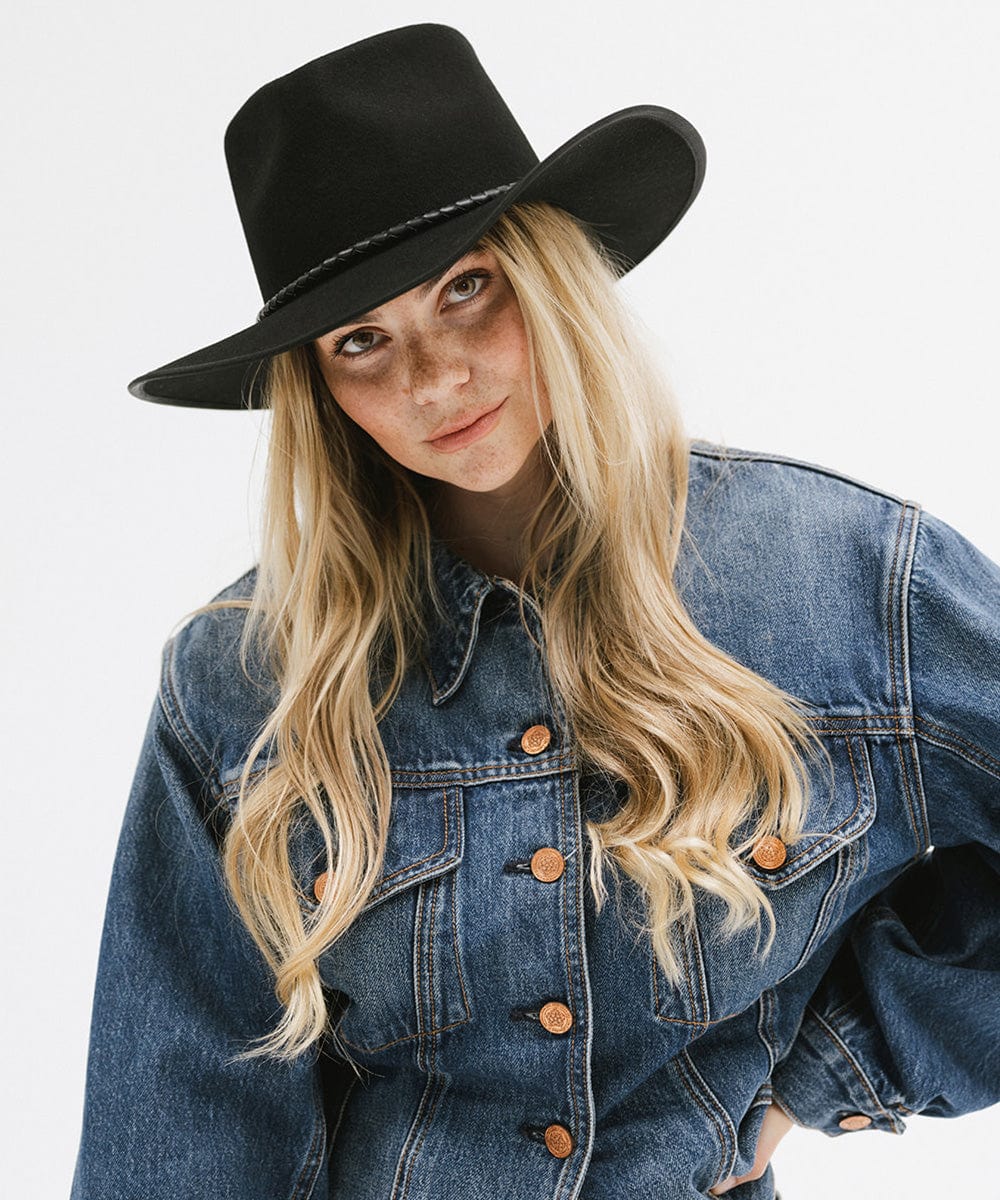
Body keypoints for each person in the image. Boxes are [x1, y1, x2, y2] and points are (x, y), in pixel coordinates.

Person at [70, 23, 1000, 1200]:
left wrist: (839, 1067)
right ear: (320, 389)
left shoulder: (844, 580)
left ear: (551, 276)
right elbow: (182, 1118)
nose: (433, 379)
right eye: (362, 341)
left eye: (467, 289)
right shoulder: (244, 676)